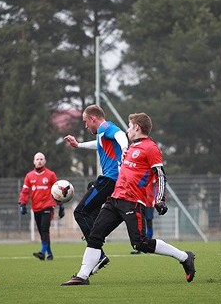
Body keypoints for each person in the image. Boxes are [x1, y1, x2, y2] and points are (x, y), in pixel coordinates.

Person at [61, 112, 195, 286]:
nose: (127, 129)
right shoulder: (131, 147)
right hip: (115, 199)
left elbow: (160, 175)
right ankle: (82, 276)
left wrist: (159, 199)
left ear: (137, 128)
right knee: (95, 235)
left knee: (140, 243)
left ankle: (185, 257)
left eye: (130, 126)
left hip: (132, 202)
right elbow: (114, 160)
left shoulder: (151, 148)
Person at [63, 104, 128, 274]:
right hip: (108, 180)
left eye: (86, 122)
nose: (86, 126)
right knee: (89, 207)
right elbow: (98, 144)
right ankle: (97, 244)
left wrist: (124, 147)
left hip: (110, 180)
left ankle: (98, 253)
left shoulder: (106, 127)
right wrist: (79, 145)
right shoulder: (101, 134)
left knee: (80, 212)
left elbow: (121, 135)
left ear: (93, 118)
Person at [18, 152, 64, 261]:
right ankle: (50, 253)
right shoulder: (29, 176)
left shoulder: (51, 175)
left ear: (45, 161)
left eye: (41, 159)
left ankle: (42, 252)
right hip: (36, 207)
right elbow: (25, 191)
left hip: (48, 206)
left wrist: (61, 206)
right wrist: (22, 203)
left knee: (44, 228)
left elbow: (58, 191)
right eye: (37, 159)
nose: (39, 161)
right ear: (34, 161)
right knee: (42, 231)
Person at [131, 176, 156, 254]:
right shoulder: (140, 174)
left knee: (148, 223)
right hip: (140, 201)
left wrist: (156, 199)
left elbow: (156, 187)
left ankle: (147, 246)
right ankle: (140, 246)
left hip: (149, 203)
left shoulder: (152, 175)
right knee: (140, 224)